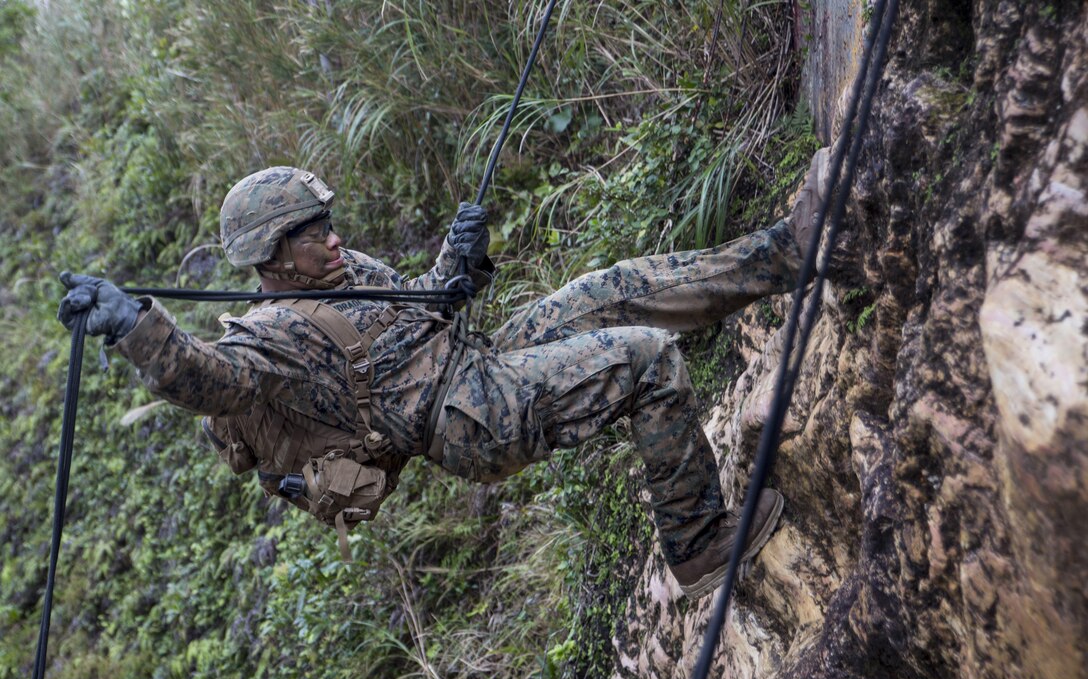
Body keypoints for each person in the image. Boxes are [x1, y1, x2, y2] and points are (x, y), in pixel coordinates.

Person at [58, 150, 841, 599]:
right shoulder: (272, 341)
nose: (331, 239)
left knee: (620, 286)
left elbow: (419, 311)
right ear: (270, 255)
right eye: (309, 232)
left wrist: (455, 265)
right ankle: (700, 543)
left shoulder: (344, 268)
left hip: (475, 359)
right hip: (467, 415)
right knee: (645, 358)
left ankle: (791, 248)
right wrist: (137, 327)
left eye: (327, 222)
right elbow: (206, 377)